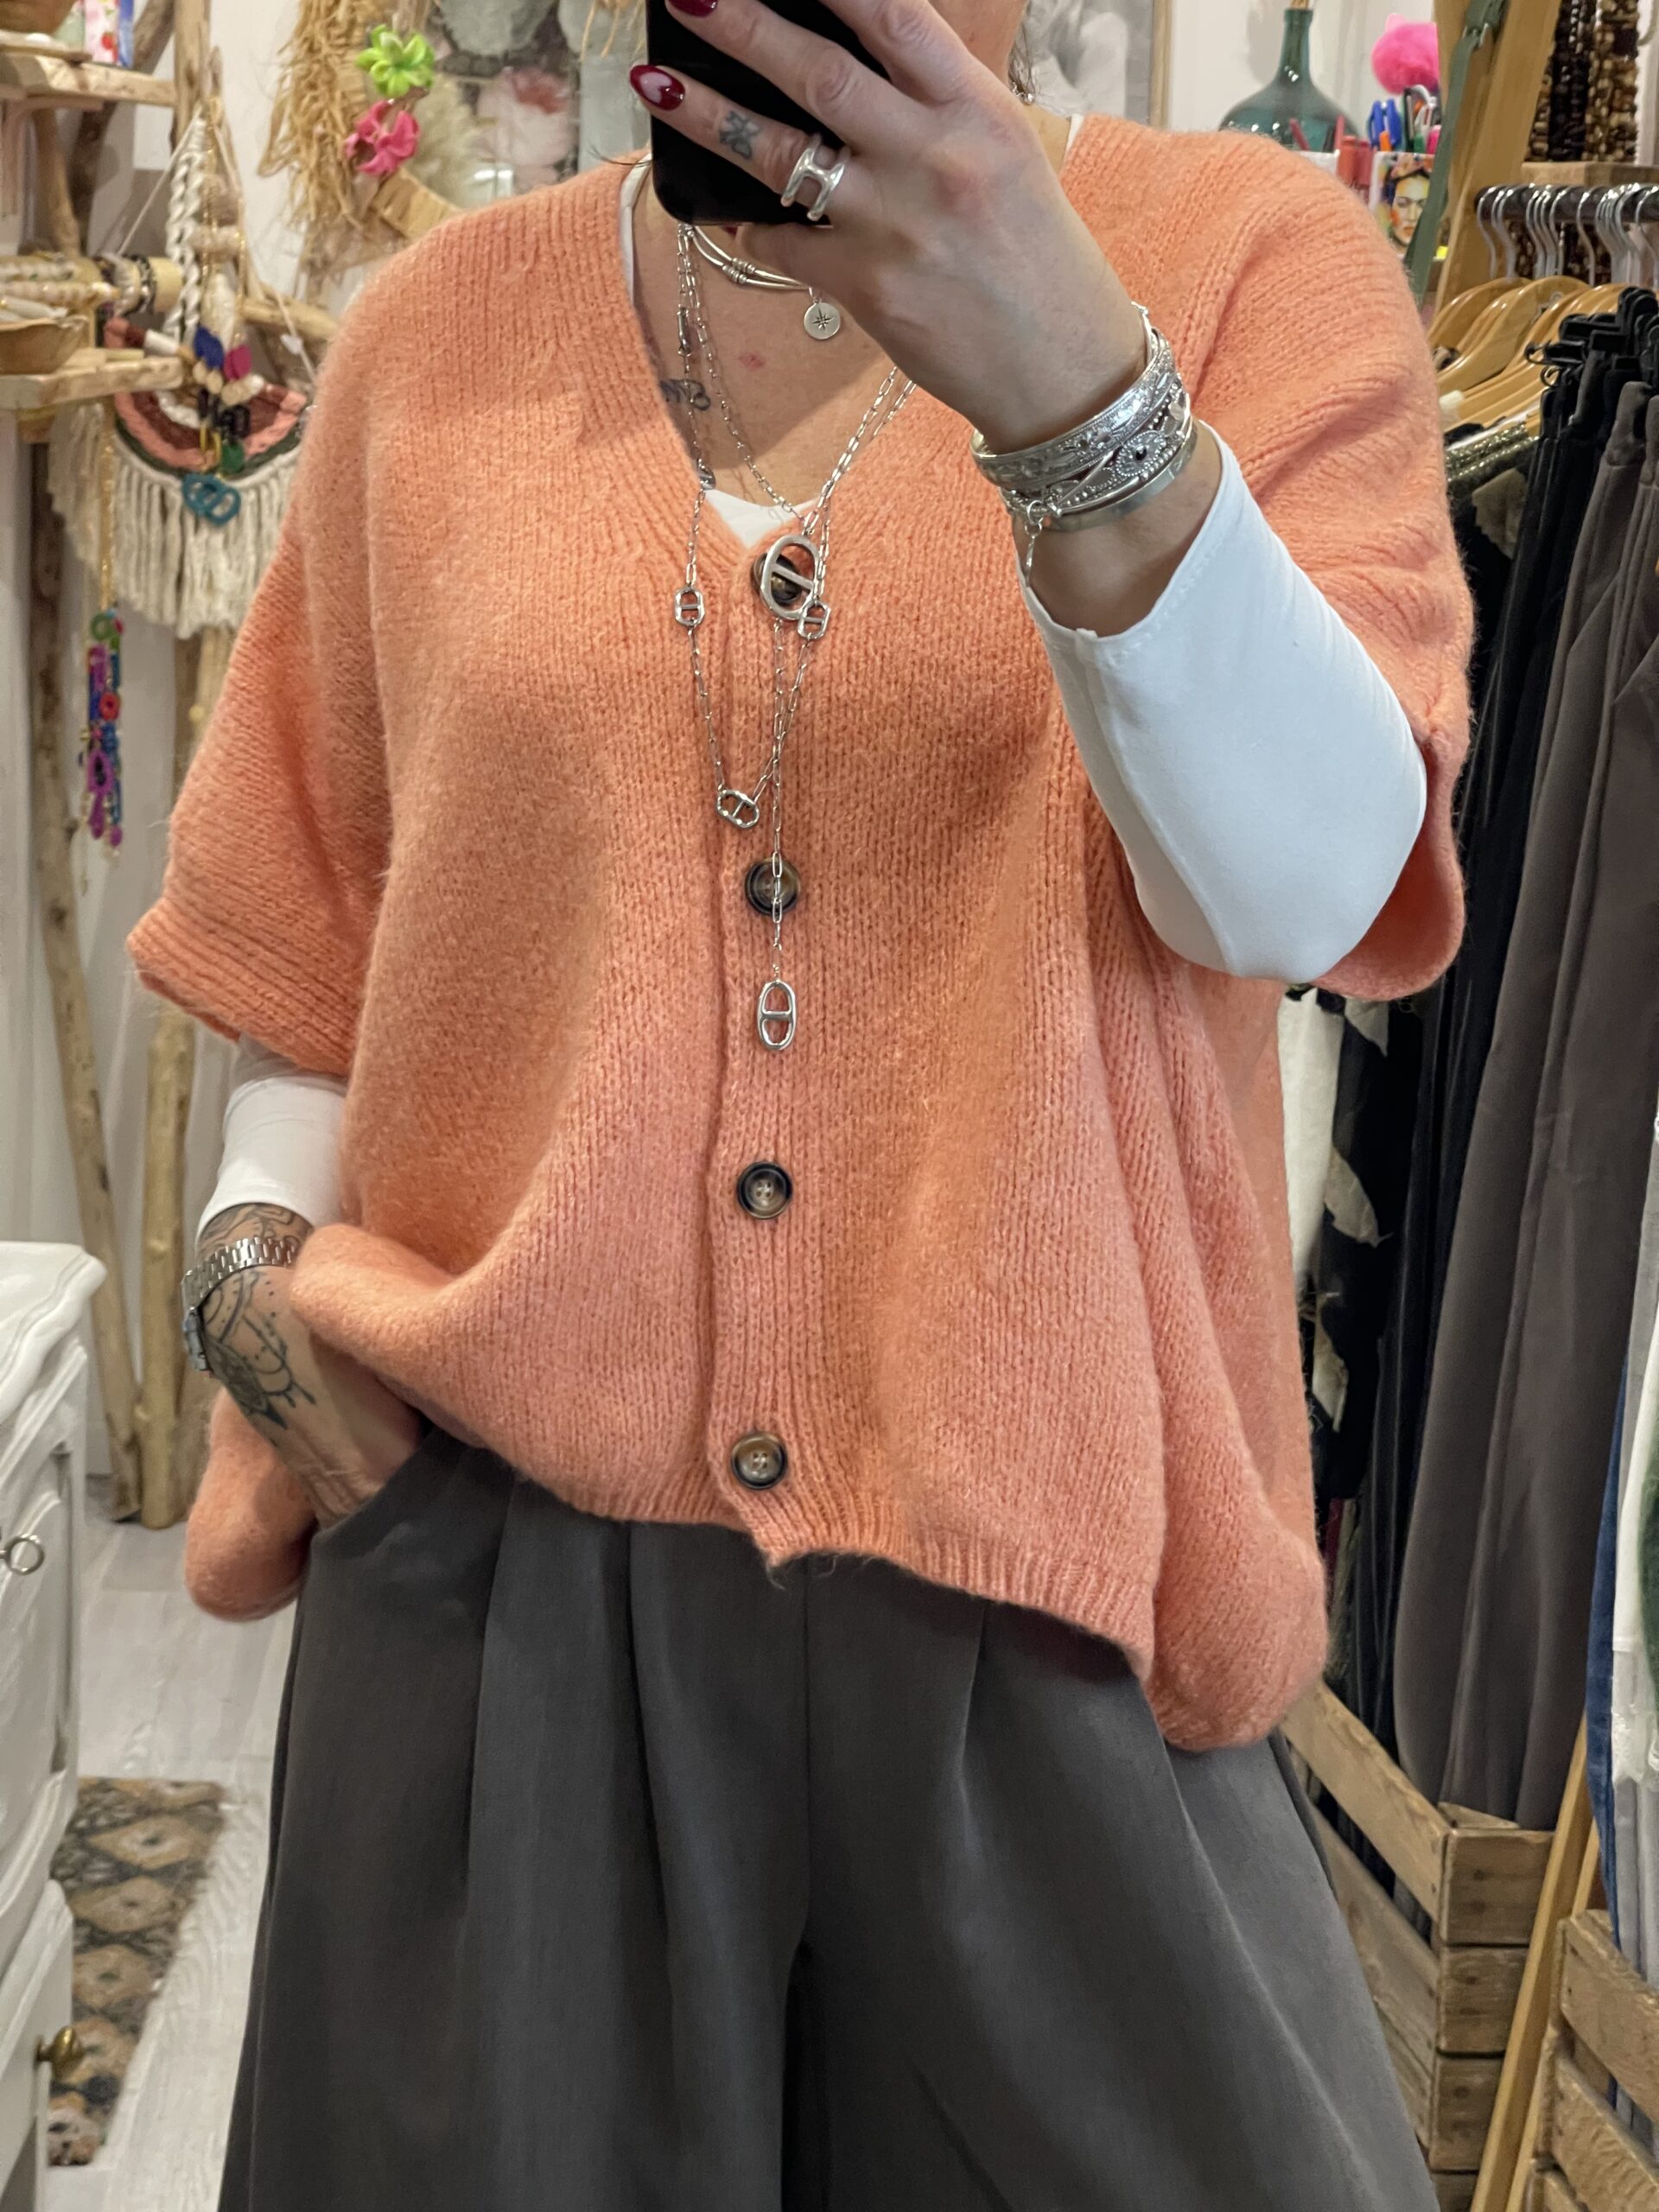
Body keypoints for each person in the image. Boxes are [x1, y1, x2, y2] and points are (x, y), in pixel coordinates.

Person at [128, 0, 1471, 2200]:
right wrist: (246, 1281)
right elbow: (313, 940)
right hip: (500, 1614)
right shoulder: (437, 336)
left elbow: (1311, 890)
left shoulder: (1248, 266)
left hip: (1048, 1635)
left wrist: (1076, 387)